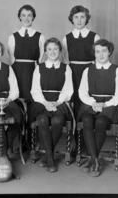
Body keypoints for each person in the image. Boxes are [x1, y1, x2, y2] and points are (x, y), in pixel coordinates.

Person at [78, 39, 118, 177]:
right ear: (94, 53)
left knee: (100, 122)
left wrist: (105, 104)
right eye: (97, 51)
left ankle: (93, 160)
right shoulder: (88, 70)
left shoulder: (117, 71)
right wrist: (93, 103)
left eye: (104, 51)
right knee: (87, 120)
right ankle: (95, 160)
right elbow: (82, 92)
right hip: (91, 103)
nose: (101, 54)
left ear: (109, 52)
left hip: (110, 105)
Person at [30, 37, 73, 172]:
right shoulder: (39, 68)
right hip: (42, 101)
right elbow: (35, 90)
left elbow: (68, 89)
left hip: (60, 101)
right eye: (49, 49)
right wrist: (45, 103)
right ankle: (50, 159)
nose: (53, 52)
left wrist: (58, 102)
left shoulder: (66, 68)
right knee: (42, 119)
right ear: (45, 51)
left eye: (55, 49)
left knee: (57, 120)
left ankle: (48, 157)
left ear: (60, 51)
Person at [62, 5, 100, 155]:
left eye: (82, 17)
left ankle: (85, 143)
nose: (79, 20)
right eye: (76, 17)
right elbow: (65, 60)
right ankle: (74, 144)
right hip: (73, 74)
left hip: (89, 73)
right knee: (74, 107)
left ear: (87, 19)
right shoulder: (67, 38)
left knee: (86, 107)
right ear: (72, 19)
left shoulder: (94, 37)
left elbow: (98, 58)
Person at [7, 4, 45, 147]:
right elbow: (12, 57)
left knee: (32, 103)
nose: (26, 18)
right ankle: (20, 138)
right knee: (19, 103)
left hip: (33, 71)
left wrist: (34, 68)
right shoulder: (13, 37)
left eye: (29, 15)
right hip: (18, 72)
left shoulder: (40, 36)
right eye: (23, 15)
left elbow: (40, 58)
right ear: (19, 17)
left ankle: (31, 138)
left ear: (33, 17)